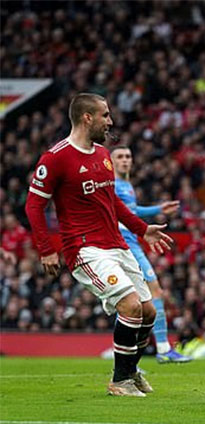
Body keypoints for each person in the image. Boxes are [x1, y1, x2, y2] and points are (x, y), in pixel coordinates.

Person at [24, 93, 173, 397]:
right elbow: (33, 206)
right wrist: (46, 249)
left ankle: (131, 372)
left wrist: (142, 229)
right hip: (85, 249)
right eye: (105, 115)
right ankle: (120, 381)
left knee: (148, 312)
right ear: (86, 118)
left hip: (117, 245)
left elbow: (112, 201)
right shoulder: (56, 157)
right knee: (130, 306)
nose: (111, 121)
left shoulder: (103, 154)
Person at [110, 145, 191, 363]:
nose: (125, 160)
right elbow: (123, 213)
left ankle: (133, 353)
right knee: (153, 292)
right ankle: (162, 349)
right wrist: (156, 211)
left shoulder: (126, 185)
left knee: (136, 298)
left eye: (128, 156)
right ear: (111, 161)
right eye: (120, 157)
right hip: (125, 244)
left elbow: (132, 210)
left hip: (132, 243)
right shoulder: (114, 184)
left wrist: (158, 209)